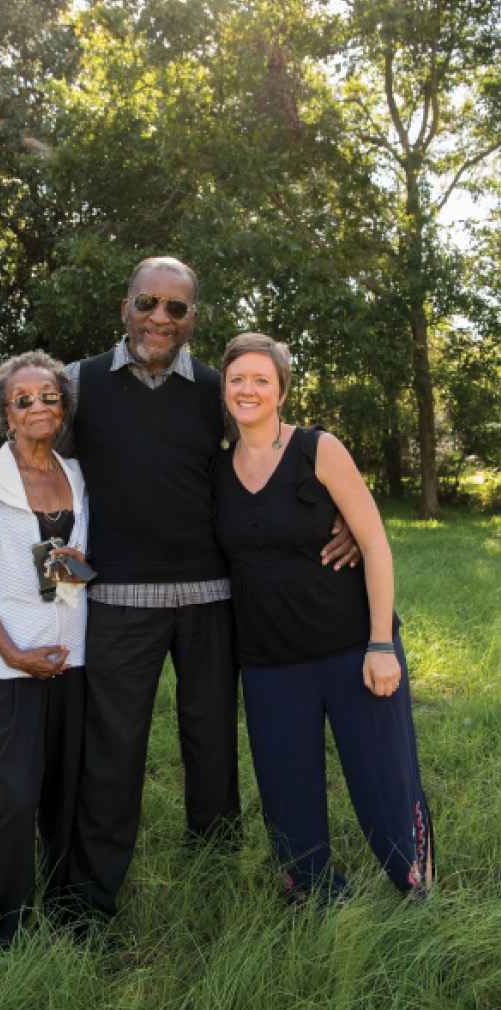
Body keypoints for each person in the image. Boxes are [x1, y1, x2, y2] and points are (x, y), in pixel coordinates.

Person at [0, 257, 358, 924]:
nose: (159, 318)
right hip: (114, 602)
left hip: (211, 599)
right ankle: (90, 901)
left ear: (193, 318)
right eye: (147, 303)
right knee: (111, 756)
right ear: (125, 307)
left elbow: (273, 449)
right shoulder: (76, 384)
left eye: (175, 307)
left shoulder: (211, 389)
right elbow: (29, 452)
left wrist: (340, 512)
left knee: (212, 747)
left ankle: (215, 877)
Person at [213, 332, 433, 901]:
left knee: (383, 780)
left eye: (262, 379)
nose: (248, 389)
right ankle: (309, 895)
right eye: (237, 379)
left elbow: (375, 544)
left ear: (281, 389)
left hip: (350, 646)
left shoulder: (318, 448)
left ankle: (416, 887)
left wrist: (381, 644)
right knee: (288, 793)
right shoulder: (216, 469)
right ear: (224, 388)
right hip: (268, 661)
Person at [0, 350, 93, 946]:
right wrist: (13, 654)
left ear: (63, 407)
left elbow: (78, 567)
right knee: (14, 799)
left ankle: (65, 908)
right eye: (24, 399)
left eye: (49, 396)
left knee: (67, 796)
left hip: (75, 663)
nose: (38, 406)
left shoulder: (80, 475)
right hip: (11, 670)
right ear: (6, 414)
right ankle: (5, 928)